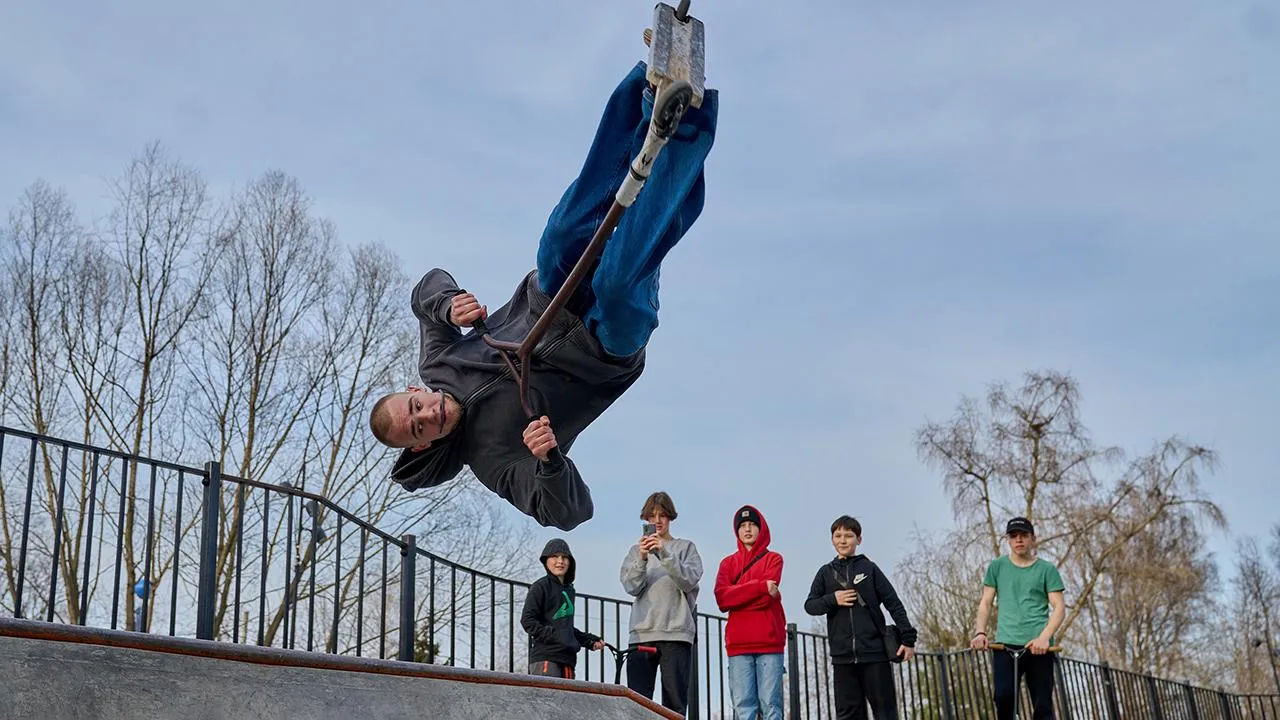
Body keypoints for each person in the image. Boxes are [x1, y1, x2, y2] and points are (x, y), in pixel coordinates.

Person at [364, 60, 718, 532]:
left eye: (417, 408)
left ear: (414, 391)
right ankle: (687, 126)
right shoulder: (492, 461)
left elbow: (425, 288)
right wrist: (549, 461)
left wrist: (447, 303)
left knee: (560, 237)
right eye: (421, 427)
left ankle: (645, 90)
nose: (430, 414)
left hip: (547, 301)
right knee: (616, 284)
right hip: (603, 354)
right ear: (422, 445)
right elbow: (568, 512)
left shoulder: (438, 362)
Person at [804, 515, 917, 720]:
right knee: (848, 716)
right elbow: (810, 605)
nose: (843, 540)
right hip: (842, 658)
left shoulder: (869, 569)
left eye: (849, 535)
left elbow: (894, 603)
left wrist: (908, 640)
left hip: (875, 655)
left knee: (886, 713)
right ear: (832, 540)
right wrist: (833, 599)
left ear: (859, 540)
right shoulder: (825, 573)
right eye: (838, 535)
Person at [970, 517, 1066, 720]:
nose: (1019, 540)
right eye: (1013, 536)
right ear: (1008, 540)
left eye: (1023, 535)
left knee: (1043, 706)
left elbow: (1059, 608)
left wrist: (1044, 637)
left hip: (1039, 647)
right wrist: (980, 632)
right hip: (1005, 646)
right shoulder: (997, 567)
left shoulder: (1047, 570)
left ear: (1033, 538)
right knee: (1003, 698)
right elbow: (985, 603)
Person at [620, 491, 702, 715]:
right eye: (652, 516)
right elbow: (630, 586)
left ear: (670, 518)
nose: (657, 521)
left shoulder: (685, 548)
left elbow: (688, 580)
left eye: (663, 515)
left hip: (676, 634)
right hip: (641, 634)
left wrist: (664, 553)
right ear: (645, 519)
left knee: (674, 707)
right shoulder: (635, 552)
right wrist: (643, 558)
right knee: (637, 706)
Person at [713, 505, 786, 720]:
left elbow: (764, 601)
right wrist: (760, 587)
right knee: (743, 707)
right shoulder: (728, 563)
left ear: (761, 528)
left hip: (769, 641)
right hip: (738, 644)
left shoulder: (774, 559)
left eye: (752, 524)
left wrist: (738, 596)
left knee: (771, 706)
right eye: (742, 525)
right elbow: (722, 598)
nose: (747, 529)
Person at [520, 538, 605, 679]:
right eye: (554, 556)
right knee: (548, 700)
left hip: (568, 659)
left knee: (567, 701)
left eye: (565, 557)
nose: (560, 561)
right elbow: (528, 620)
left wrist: (588, 640)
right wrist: (551, 635)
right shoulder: (540, 587)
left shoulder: (569, 590)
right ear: (546, 560)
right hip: (547, 657)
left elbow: (564, 628)